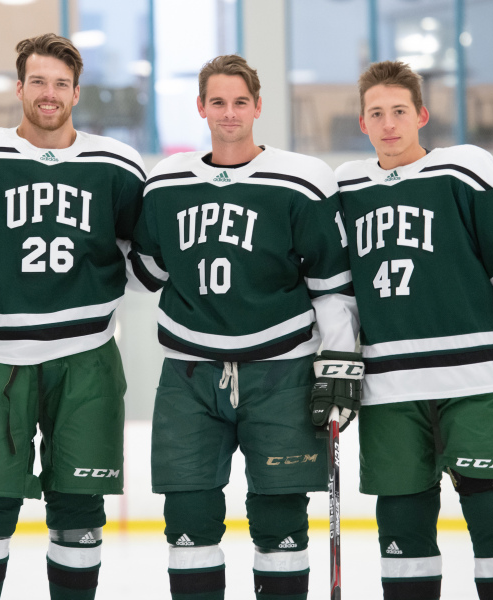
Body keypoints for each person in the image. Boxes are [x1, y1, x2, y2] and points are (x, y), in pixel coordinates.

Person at [129, 55, 361, 600]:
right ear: (201, 107)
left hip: (282, 372)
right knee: (187, 519)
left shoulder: (302, 180)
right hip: (188, 373)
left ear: (258, 106)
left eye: (239, 102)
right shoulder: (166, 182)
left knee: (280, 520)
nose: (228, 113)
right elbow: (146, 272)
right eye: (217, 102)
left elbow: (332, 284)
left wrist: (341, 361)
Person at [336, 60, 493, 600]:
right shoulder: (344, 187)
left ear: (422, 116)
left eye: (399, 112)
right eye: (376, 114)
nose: (389, 124)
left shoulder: (467, 170)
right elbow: (336, 290)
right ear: (362, 123)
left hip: (475, 381)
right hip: (388, 389)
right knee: (402, 529)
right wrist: (337, 362)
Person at [0, 33, 145, 600]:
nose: (48, 93)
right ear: (20, 87)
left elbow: (141, 245)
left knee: (79, 507)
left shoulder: (116, 163)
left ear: (76, 92)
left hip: (87, 358)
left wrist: (99, 295)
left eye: (60, 83)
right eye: (38, 81)